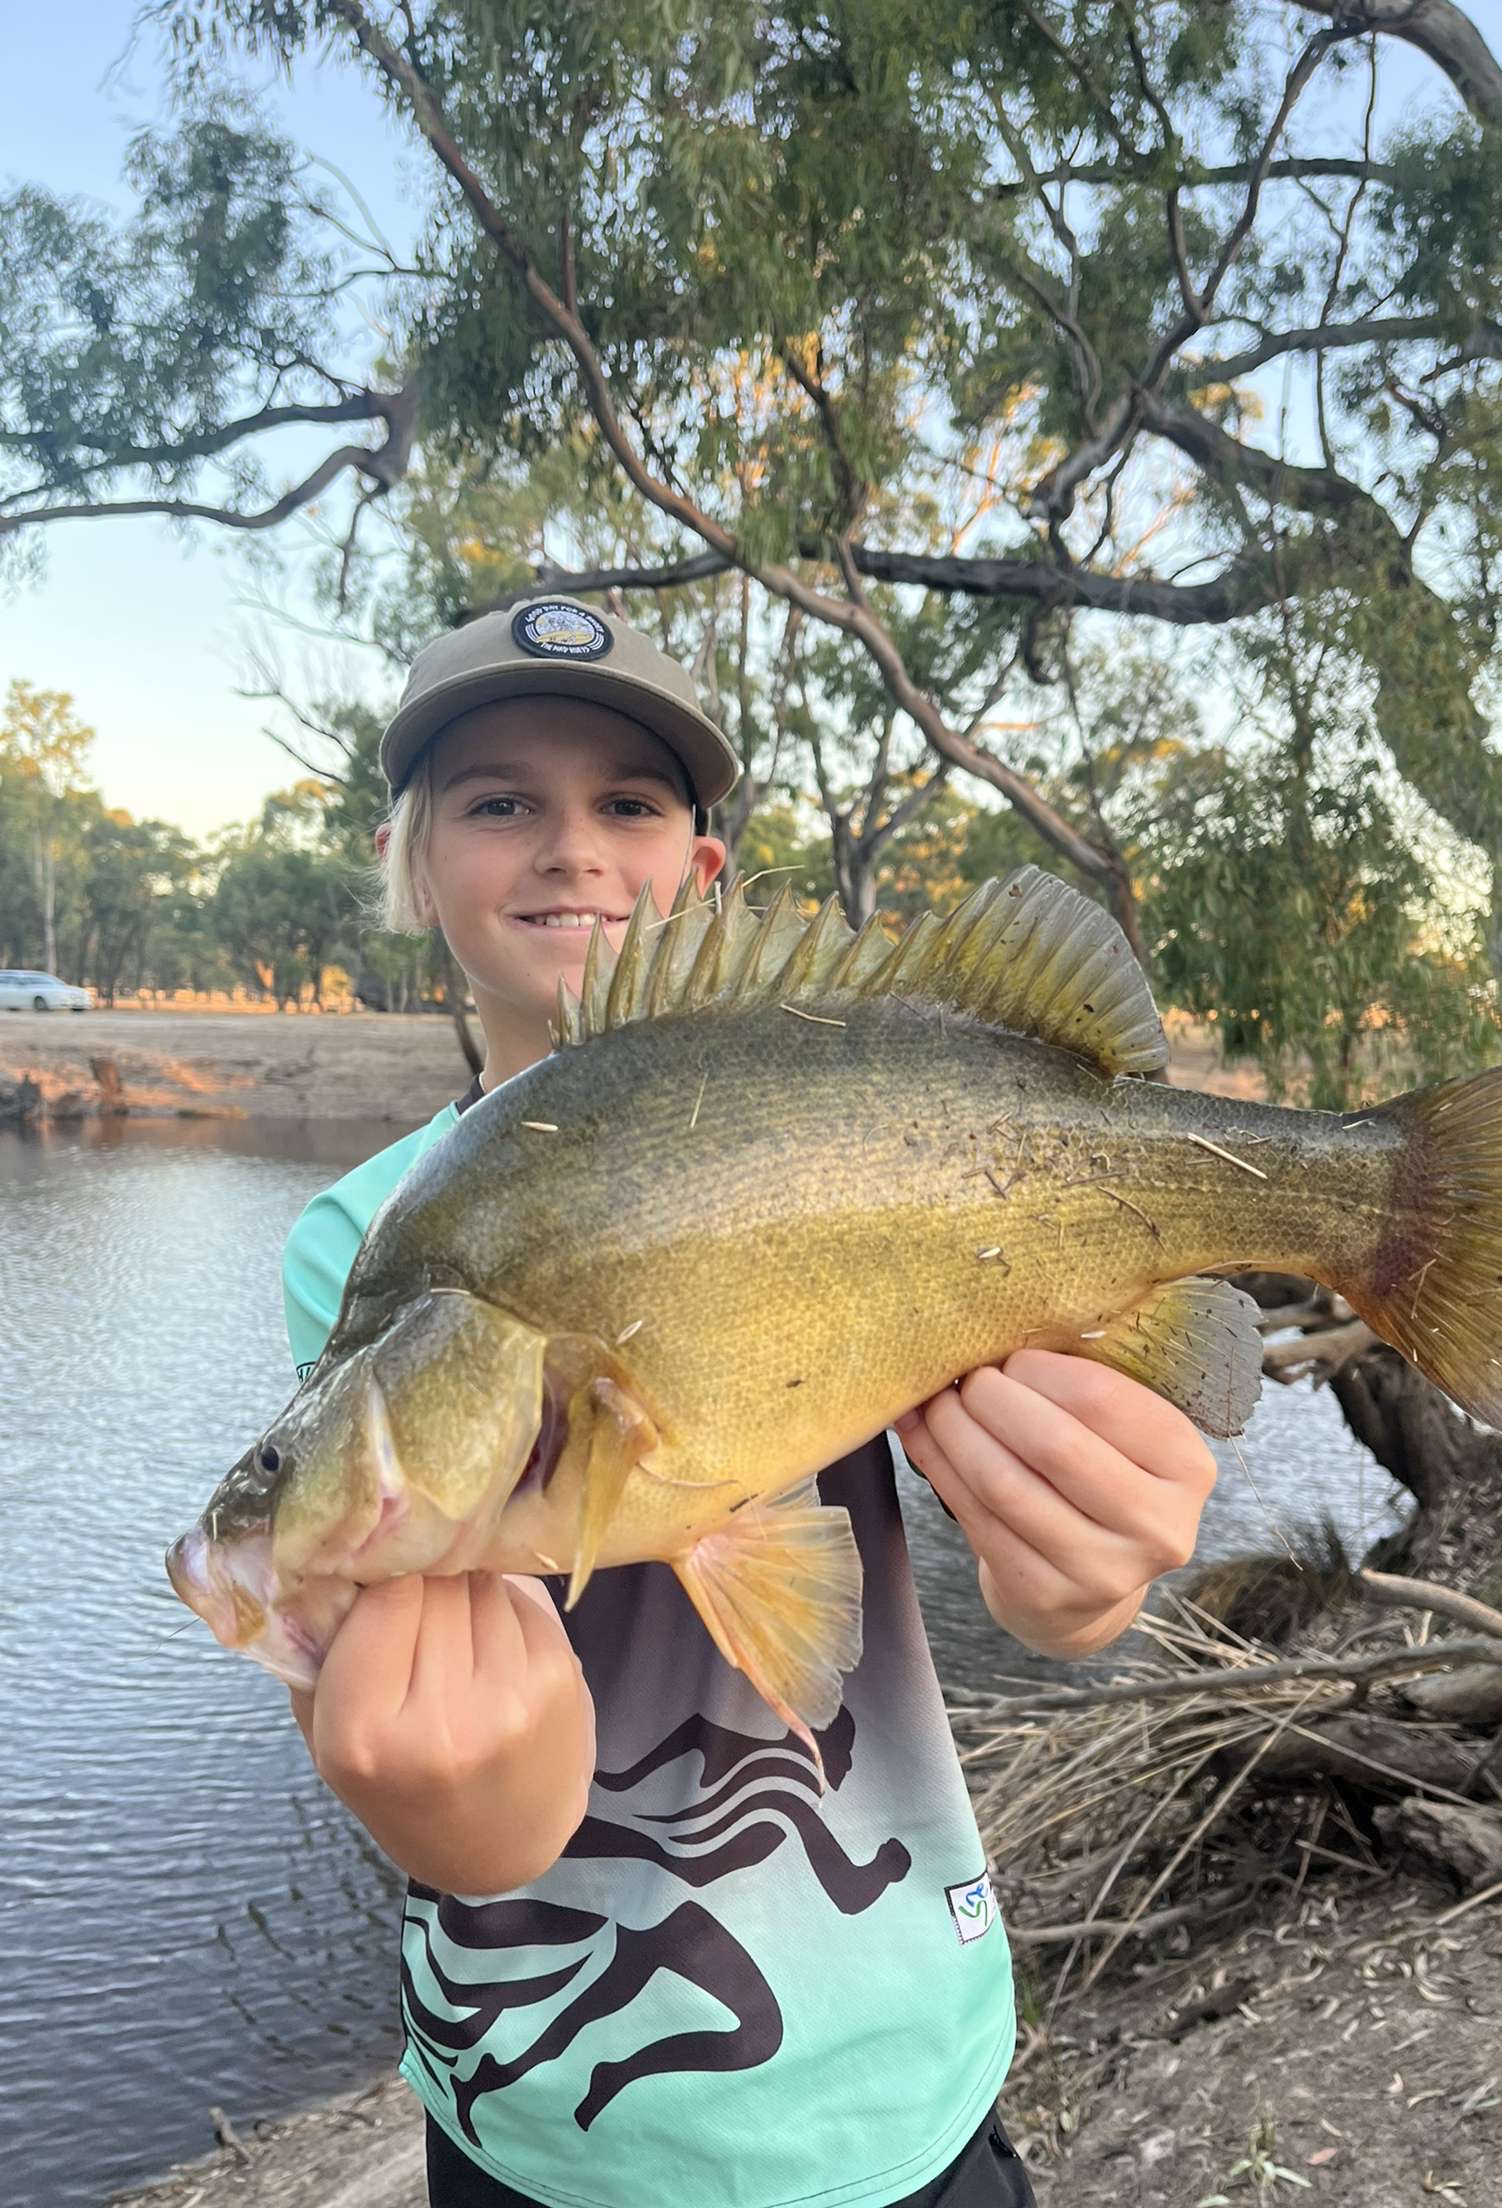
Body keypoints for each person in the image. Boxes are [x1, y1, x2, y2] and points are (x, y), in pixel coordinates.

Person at [280, 597, 1220, 2208]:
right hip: (545, 2103)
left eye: (628, 804)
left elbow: (1054, 1553)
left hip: (909, 2068)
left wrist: (1082, 1578)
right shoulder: (362, 1246)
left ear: (701, 876)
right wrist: (452, 1811)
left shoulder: (854, 1118)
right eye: (499, 800)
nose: (571, 848)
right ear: (412, 863)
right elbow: (423, 1669)